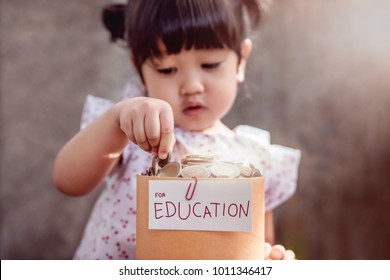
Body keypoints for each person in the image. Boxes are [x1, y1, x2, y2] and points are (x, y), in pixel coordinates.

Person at [53, 0, 301, 260]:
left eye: (210, 65)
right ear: (140, 69)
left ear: (240, 61)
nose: (191, 86)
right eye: (167, 69)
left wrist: (270, 260)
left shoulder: (257, 158)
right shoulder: (131, 128)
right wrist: (116, 122)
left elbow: (256, 246)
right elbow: (67, 181)